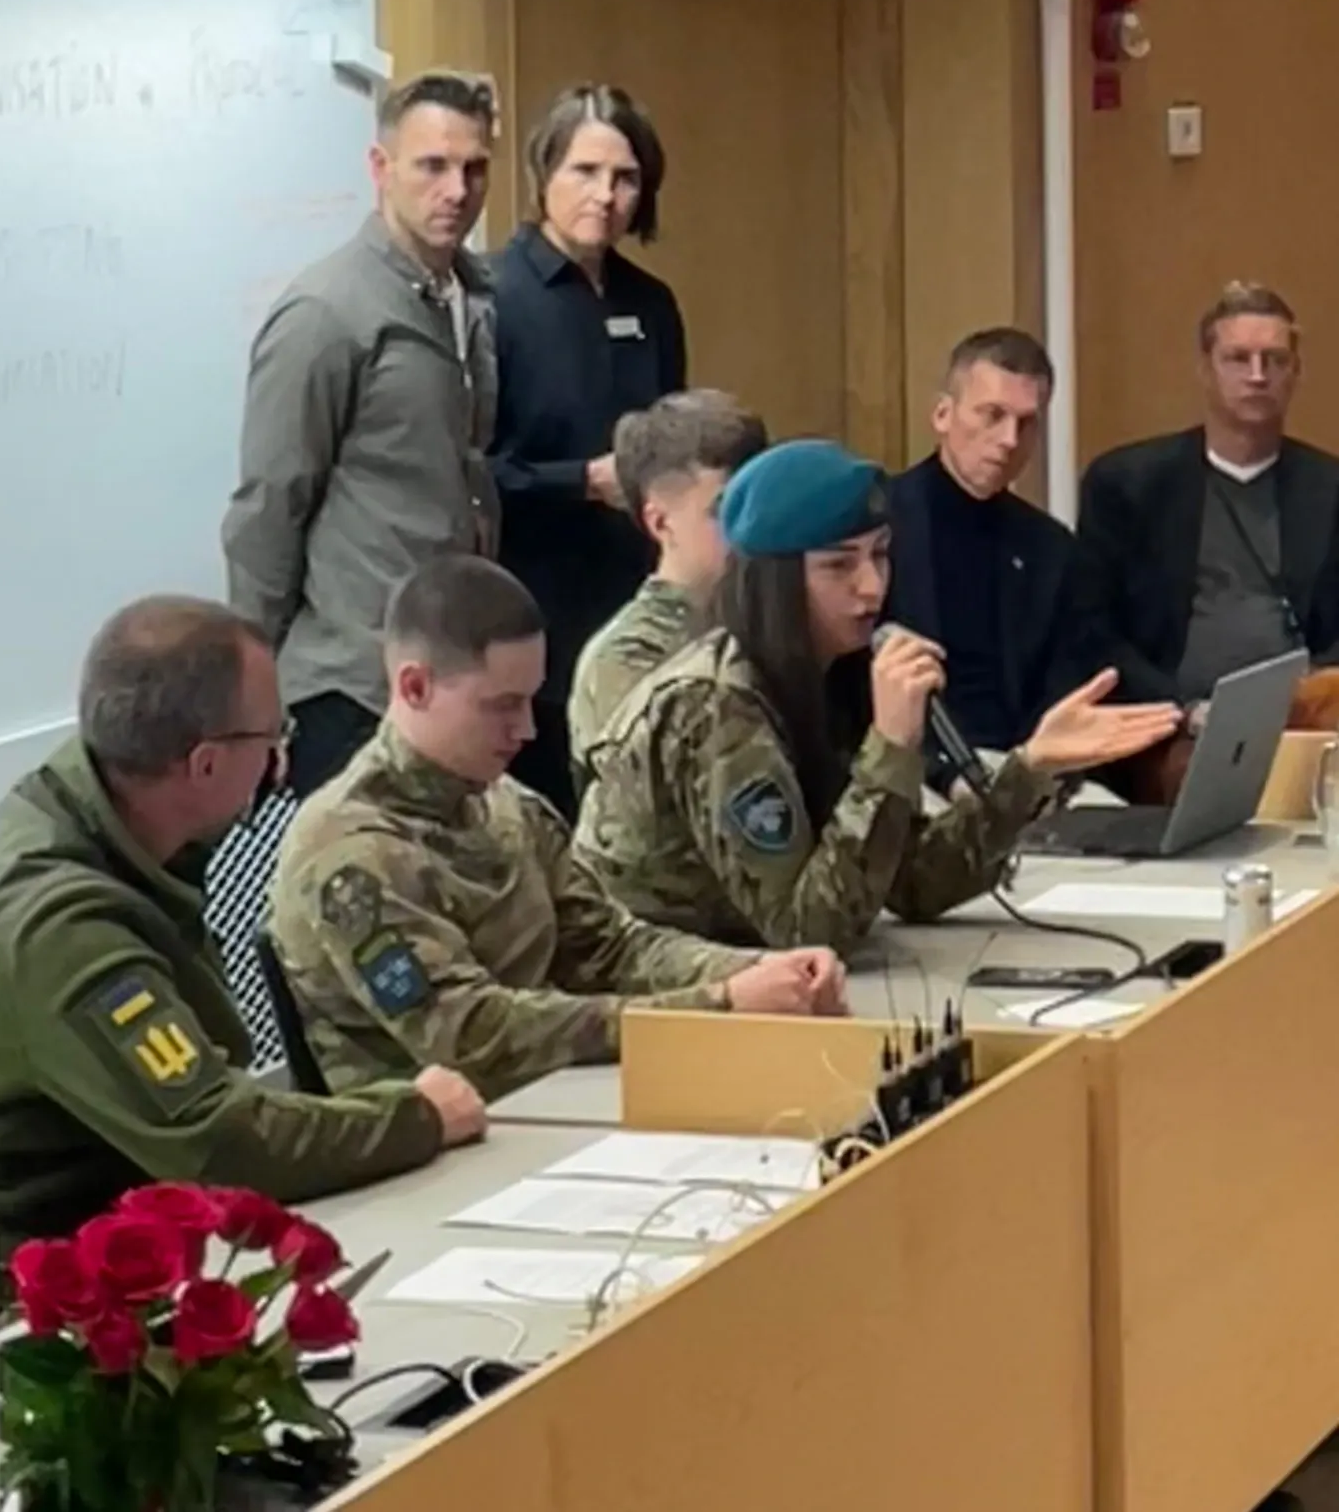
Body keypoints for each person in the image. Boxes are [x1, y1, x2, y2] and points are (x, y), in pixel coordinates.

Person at [0, 599, 486, 1247]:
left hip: (117, 1203)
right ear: (204, 764)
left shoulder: (102, 803)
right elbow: (219, 1146)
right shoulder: (57, 922)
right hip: (30, 1277)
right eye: (272, 738)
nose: (279, 763)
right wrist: (416, 1118)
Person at [268, 555, 845, 1102]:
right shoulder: (349, 854)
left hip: (547, 1104)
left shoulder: (505, 803)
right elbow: (470, 1034)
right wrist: (717, 1004)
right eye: (501, 705)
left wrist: (756, 972)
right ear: (415, 687)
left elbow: (605, 947)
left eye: (529, 703)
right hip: (437, 1154)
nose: (525, 730)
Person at [575, 441, 1181, 951]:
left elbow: (911, 881)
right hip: (653, 995)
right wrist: (891, 745)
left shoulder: (838, 673)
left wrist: (1030, 769)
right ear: (776, 582)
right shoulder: (711, 704)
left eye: (882, 556)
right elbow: (805, 927)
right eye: (839, 567)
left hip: (752, 980)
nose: (872, 587)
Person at [224, 72, 498, 800]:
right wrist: (251, 701)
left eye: (474, 168)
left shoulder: (472, 299)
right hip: (353, 689)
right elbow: (268, 508)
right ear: (381, 170)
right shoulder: (327, 313)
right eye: (432, 166)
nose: (457, 190)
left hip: (451, 671)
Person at [490, 84, 687, 817]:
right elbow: (468, 471)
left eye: (625, 178)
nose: (605, 196)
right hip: (533, 605)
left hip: (635, 601)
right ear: (545, 172)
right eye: (585, 171)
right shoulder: (493, 296)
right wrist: (580, 482)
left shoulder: (652, 303)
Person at [1076, 283, 1339, 710]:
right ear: (1205, 368)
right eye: (1238, 359)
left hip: (1306, 716)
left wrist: (1307, 698)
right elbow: (1095, 633)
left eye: (1275, 360)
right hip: (1168, 723)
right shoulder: (1128, 484)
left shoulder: (1328, 489)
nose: (1257, 375)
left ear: (1296, 373)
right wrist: (1182, 710)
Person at [886, 329, 1082, 761]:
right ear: (942, 414)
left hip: (1026, 766)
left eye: (1026, 423)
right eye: (992, 415)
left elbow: (1063, 681)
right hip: (911, 769)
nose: (1010, 439)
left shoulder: (1050, 548)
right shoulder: (879, 527)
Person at [568, 389, 767, 793]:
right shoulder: (626, 659)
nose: (750, 525)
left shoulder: (772, 620)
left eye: (760, 503)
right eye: (725, 510)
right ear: (661, 523)